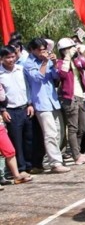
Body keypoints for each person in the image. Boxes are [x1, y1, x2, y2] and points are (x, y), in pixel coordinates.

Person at [24, 38, 70, 173]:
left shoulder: (48, 60)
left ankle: (50, 158)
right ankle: (55, 163)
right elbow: (37, 77)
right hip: (41, 102)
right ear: (32, 50)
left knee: (59, 132)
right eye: (39, 50)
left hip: (53, 100)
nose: (42, 52)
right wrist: (44, 62)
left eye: (44, 50)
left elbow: (55, 77)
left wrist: (54, 62)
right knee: (50, 133)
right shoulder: (29, 63)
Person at [56, 38, 85, 165]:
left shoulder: (76, 62)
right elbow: (62, 74)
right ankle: (76, 156)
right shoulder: (60, 62)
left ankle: (77, 152)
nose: (73, 49)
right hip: (69, 98)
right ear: (63, 51)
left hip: (80, 96)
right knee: (73, 128)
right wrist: (67, 56)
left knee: (82, 127)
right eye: (69, 48)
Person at [0, 45, 35, 173]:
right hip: (11, 111)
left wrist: (30, 104)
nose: (11, 59)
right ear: (2, 58)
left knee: (29, 139)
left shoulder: (21, 69)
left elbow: (28, 88)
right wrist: (2, 111)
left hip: (25, 108)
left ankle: (29, 165)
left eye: (13, 56)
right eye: (7, 57)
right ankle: (21, 168)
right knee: (17, 141)